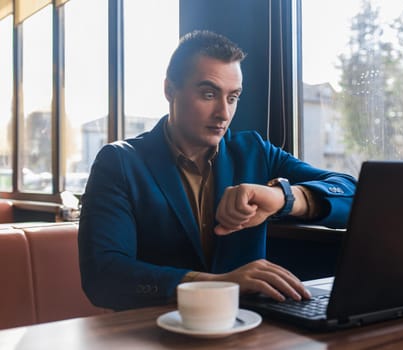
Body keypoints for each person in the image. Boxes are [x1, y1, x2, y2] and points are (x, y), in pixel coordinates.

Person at [78, 30, 357, 311]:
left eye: (233, 97)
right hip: (154, 332)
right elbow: (103, 276)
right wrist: (214, 284)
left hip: (247, 328)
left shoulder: (254, 151)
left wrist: (283, 197)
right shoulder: (120, 163)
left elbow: (352, 193)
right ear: (170, 90)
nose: (223, 113)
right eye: (209, 94)